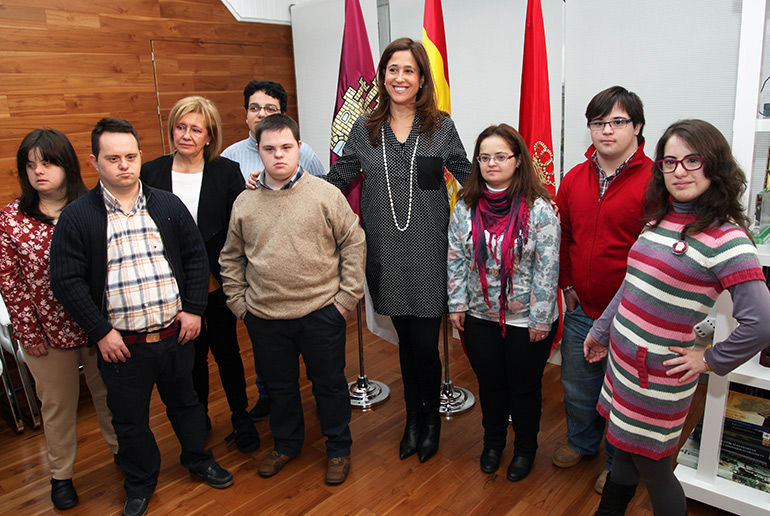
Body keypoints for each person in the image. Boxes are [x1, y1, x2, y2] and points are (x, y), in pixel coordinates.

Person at [585, 119, 770, 516]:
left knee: (653, 467)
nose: (680, 171)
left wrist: (708, 359)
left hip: (656, 379)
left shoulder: (727, 238)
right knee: (623, 448)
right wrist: (602, 330)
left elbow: (762, 322)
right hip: (623, 362)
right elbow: (632, 283)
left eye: (692, 160)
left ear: (715, 165)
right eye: (670, 162)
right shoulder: (661, 217)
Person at [50, 117, 233, 516]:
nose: (124, 166)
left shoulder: (167, 205)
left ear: (139, 155)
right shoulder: (79, 217)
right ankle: (139, 482)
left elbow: (196, 257)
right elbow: (66, 281)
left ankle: (198, 459)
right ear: (94, 161)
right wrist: (100, 332)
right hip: (122, 347)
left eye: (131, 156)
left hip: (175, 336)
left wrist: (193, 310)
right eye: (112, 158)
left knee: (187, 404)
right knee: (130, 422)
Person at [325, 37, 471, 463]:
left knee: (425, 345)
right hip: (385, 255)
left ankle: (430, 423)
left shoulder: (441, 126)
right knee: (405, 346)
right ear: (382, 76)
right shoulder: (364, 129)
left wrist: (520, 193)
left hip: (429, 255)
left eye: (408, 70)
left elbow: (468, 175)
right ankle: (413, 419)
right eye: (392, 69)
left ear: (422, 77)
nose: (400, 78)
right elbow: (339, 176)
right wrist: (288, 186)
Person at [219, 114, 365, 485]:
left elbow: (354, 242)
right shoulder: (245, 202)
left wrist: (345, 301)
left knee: (329, 384)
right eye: (269, 149)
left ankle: (338, 448)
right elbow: (230, 257)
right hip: (265, 316)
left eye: (286, 147)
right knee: (280, 387)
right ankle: (286, 444)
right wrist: (240, 304)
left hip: (321, 312)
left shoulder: (325, 194)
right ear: (259, 152)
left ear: (299, 148)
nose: (278, 156)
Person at [0, 129, 118, 511]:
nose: (39, 172)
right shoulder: (11, 219)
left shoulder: (95, 205)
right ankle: (61, 476)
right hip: (46, 332)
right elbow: (10, 280)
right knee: (57, 406)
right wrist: (27, 330)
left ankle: (124, 454)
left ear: (66, 164)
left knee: (111, 397)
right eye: (31, 165)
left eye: (47, 162)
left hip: (100, 325)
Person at [141, 96, 259, 453]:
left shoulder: (225, 172)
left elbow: (239, 228)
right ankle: (199, 417)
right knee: (190, 356)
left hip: (218, 279)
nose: (186, 135)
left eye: (195, 129)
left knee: (227, 351)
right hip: (171, 284)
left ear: (209, 136)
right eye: (180, 127)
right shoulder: (152, 172)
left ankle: (240, 415)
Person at [553, 86, 652, 493]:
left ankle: (616, 464)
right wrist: (567, 284)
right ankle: (582, 442)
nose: (607, 130)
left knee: (623, 396)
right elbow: (565, 236)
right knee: (577, 386)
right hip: (582, 307)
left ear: (638, 127)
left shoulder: (656, 181)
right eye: (598, 122)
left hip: (632, 314)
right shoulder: (574, 178)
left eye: (617, 122)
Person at [447, 124, 560, 482]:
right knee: (491, 385)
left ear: (517, 160)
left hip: (528, 319)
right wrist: (456, 304)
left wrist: (541, 318)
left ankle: (526, 449)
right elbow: (455, 260)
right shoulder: (465, 207)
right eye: (484, 157)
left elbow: (548, 266)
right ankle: (493, 444)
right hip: (479, 316)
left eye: (500, 156)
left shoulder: (539, 209)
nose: (491, 163)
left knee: (524, 388)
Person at [221, 80, 326, 422]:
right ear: (245, 114)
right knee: (271, 362)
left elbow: (323, 194)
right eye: (255, 107)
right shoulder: (229, 158)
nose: (261, 114)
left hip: (307, 281)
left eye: (270, 108)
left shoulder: (303, 151)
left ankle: (320, 403)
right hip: (260, 281)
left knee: (318, 364)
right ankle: (269, 398)